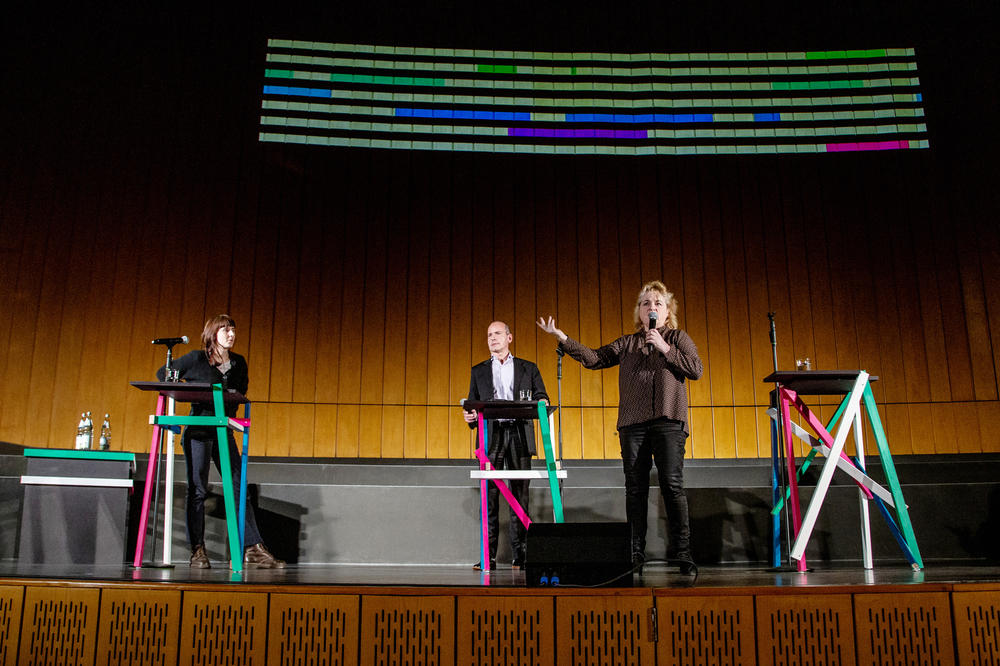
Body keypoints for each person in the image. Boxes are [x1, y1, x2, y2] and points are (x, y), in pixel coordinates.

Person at [537, 281, 703, 575]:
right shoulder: (627, 344)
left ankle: (683, 552)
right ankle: (635, 551)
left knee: (672, 486)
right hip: (633, 425)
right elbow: (595, 359)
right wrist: (562, 338)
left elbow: (696, 369)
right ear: (639, 311)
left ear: (667, 312)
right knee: (635, 490)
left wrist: (664, 347)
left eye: (658, 304)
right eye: (646, 304)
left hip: (668, 422)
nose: (652, 308)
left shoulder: (677, 338)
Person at [156, 314, 285, 570]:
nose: (231, 334)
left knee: (238, 486)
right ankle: (198, 550)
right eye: (225, 330)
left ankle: (251, 548)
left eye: (233, 330)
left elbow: (241, 393)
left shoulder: (239, 363)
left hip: (223, 429)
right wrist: (187, 389)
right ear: (213, 333)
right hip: (200, 429)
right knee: (198, 490)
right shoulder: (196, 358)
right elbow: (164, 374)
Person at [464, 321, 550, 570]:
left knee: (520, 495)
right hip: (492, 435)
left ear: (509, 338)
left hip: (520, 433)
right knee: (489, 497)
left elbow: (542, 397)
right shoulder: (478, 371)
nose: (492, 338)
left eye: (497, 334)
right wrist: (469, 415)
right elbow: (472, 404)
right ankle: (488, 556)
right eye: (489, 335)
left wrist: (539, 402)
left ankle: (520, 556)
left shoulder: (528, 368)